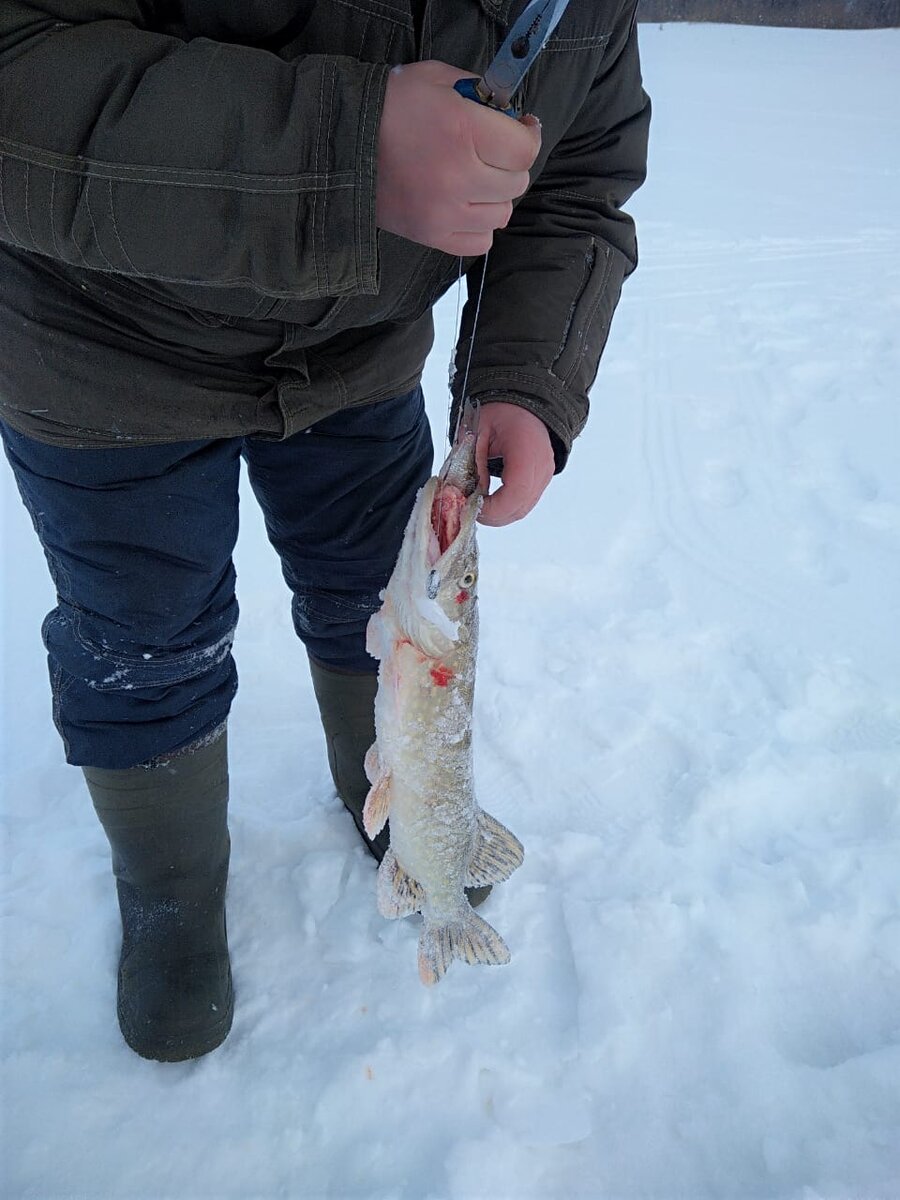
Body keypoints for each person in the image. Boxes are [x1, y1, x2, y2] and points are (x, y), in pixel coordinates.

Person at [0, 0, 650, 1061]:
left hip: (357, 348)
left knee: (373, 598)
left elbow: (574, 175)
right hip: (99, 347)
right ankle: (169, 890)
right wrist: (336, 158)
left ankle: (395, 805)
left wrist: (525, 377)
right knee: (143, 641)